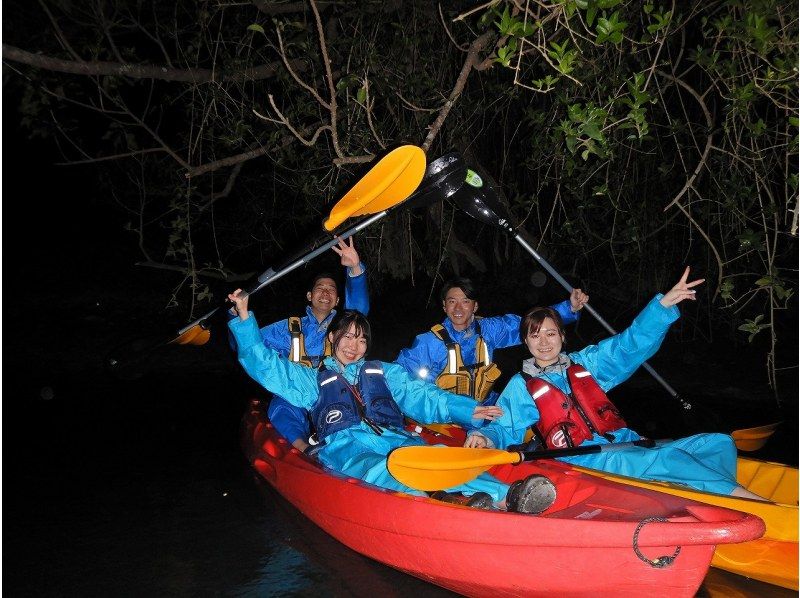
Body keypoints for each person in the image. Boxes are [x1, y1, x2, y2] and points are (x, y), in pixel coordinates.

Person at [228, 290, 559, 514]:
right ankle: (447, 506)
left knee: (438, 457)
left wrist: (465, 409)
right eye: (347, 336)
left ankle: (507, 496)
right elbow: (264, 364)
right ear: (332, 339)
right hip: (346, 445)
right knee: (381, 468)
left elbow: (422, 395)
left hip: (395, 437)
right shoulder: (311, 378)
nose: (354, 345)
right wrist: (244, 321)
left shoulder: (382, 371)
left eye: (361, 339)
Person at [464, 267, 765, 500]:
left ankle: (719, 496)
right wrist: (485, 439)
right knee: (669, 457)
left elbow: (628, 345)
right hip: (585, 460)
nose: (544, 342)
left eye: (551, 334)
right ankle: (752, 504)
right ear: (526, 341)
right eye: (535, 335)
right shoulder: (521, 384)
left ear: (562, 337)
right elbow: (503, 426)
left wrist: (662, 308)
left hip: (624, 441)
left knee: (718, 442)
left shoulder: (587, 363)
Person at [229, 236, 369, 452]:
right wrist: (238, 316)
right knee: (282, 405)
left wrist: (356, 270)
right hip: (295, 393)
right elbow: (248, 348)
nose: (325, 293)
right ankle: (305, 450)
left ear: (338, 300)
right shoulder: (287, 327)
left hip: (334, 394)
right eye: (320, 288)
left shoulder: (344, 327)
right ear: (309, 296)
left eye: (331, 289)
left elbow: (358, 315)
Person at [396, 277, 588, 408]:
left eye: (465, 301)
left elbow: (529, 324)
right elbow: (398, 376)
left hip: (485, 406)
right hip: (445, 415)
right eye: (452, 302)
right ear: (445, 307)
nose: (458, 308)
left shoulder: (488, 330)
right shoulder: (428, 342)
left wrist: (569, 308)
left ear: (475, 306)